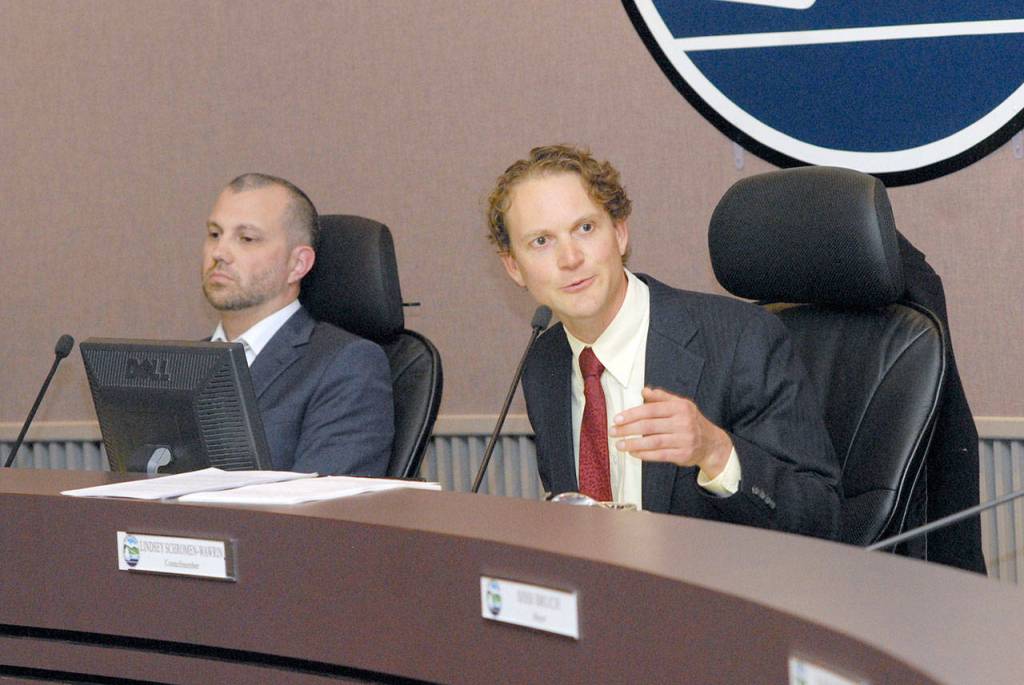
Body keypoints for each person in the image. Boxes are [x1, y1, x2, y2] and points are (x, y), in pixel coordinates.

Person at [486, 145, 840, 538]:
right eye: (541, 241)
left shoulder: (741, 340)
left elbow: (821, 519)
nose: (570, 258)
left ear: (620, 233)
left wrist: (715, 451)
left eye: (585, 228)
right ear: (513, 266)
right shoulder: (544, 362)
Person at [203, 173, 393, 474]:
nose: (219, 253)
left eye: (246, 238)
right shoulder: (180, 365)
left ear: (297, 264)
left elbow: (323, 499)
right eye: (215, 234)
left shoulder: (347, 364)